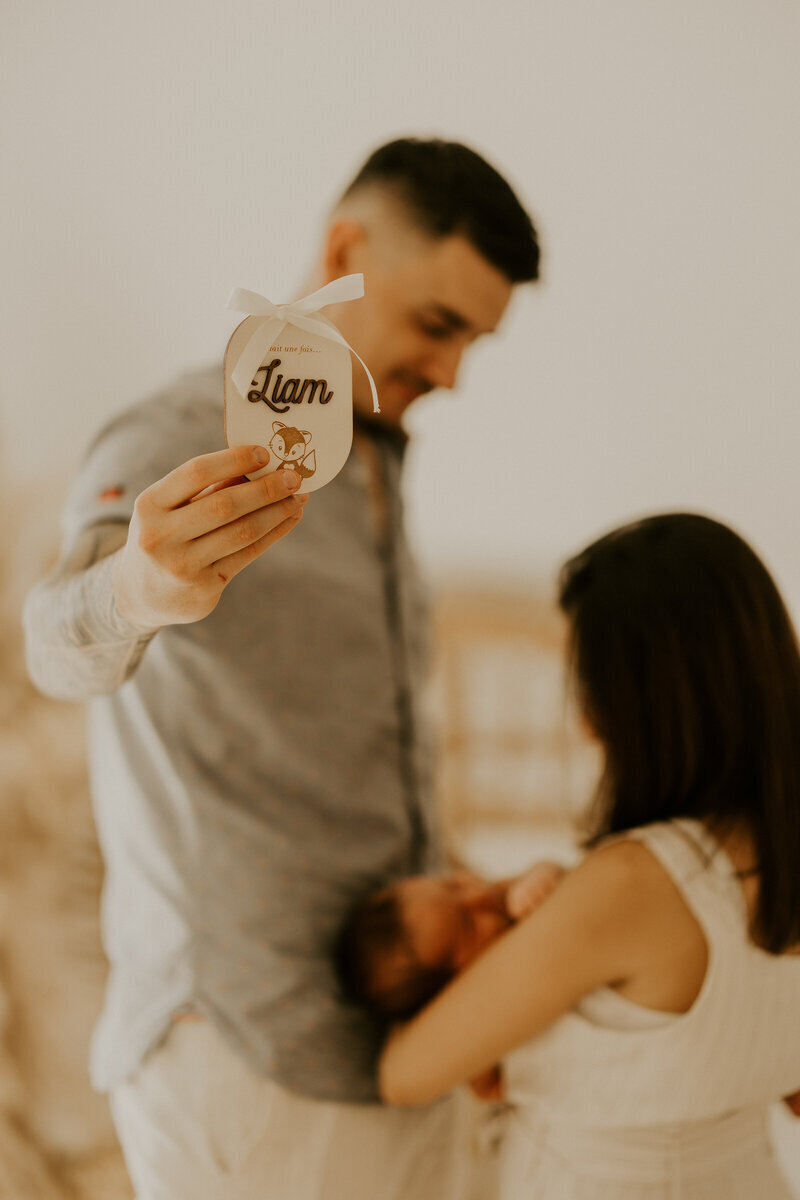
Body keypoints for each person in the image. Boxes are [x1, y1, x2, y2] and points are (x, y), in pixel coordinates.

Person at [23, 138, 540, 1200]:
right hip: (240, 1041)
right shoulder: (174, 430)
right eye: (438, 326)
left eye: (473, 345)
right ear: (344, 246)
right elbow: (52, 646)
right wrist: (138, 590)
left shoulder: (376, 463)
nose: (450, 373)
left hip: (394, 1047)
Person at [379, 512, 800, 1198]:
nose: (582, 717)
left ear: (644, 697)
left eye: (589, 679)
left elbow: (407, 1071)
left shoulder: (641, 883)